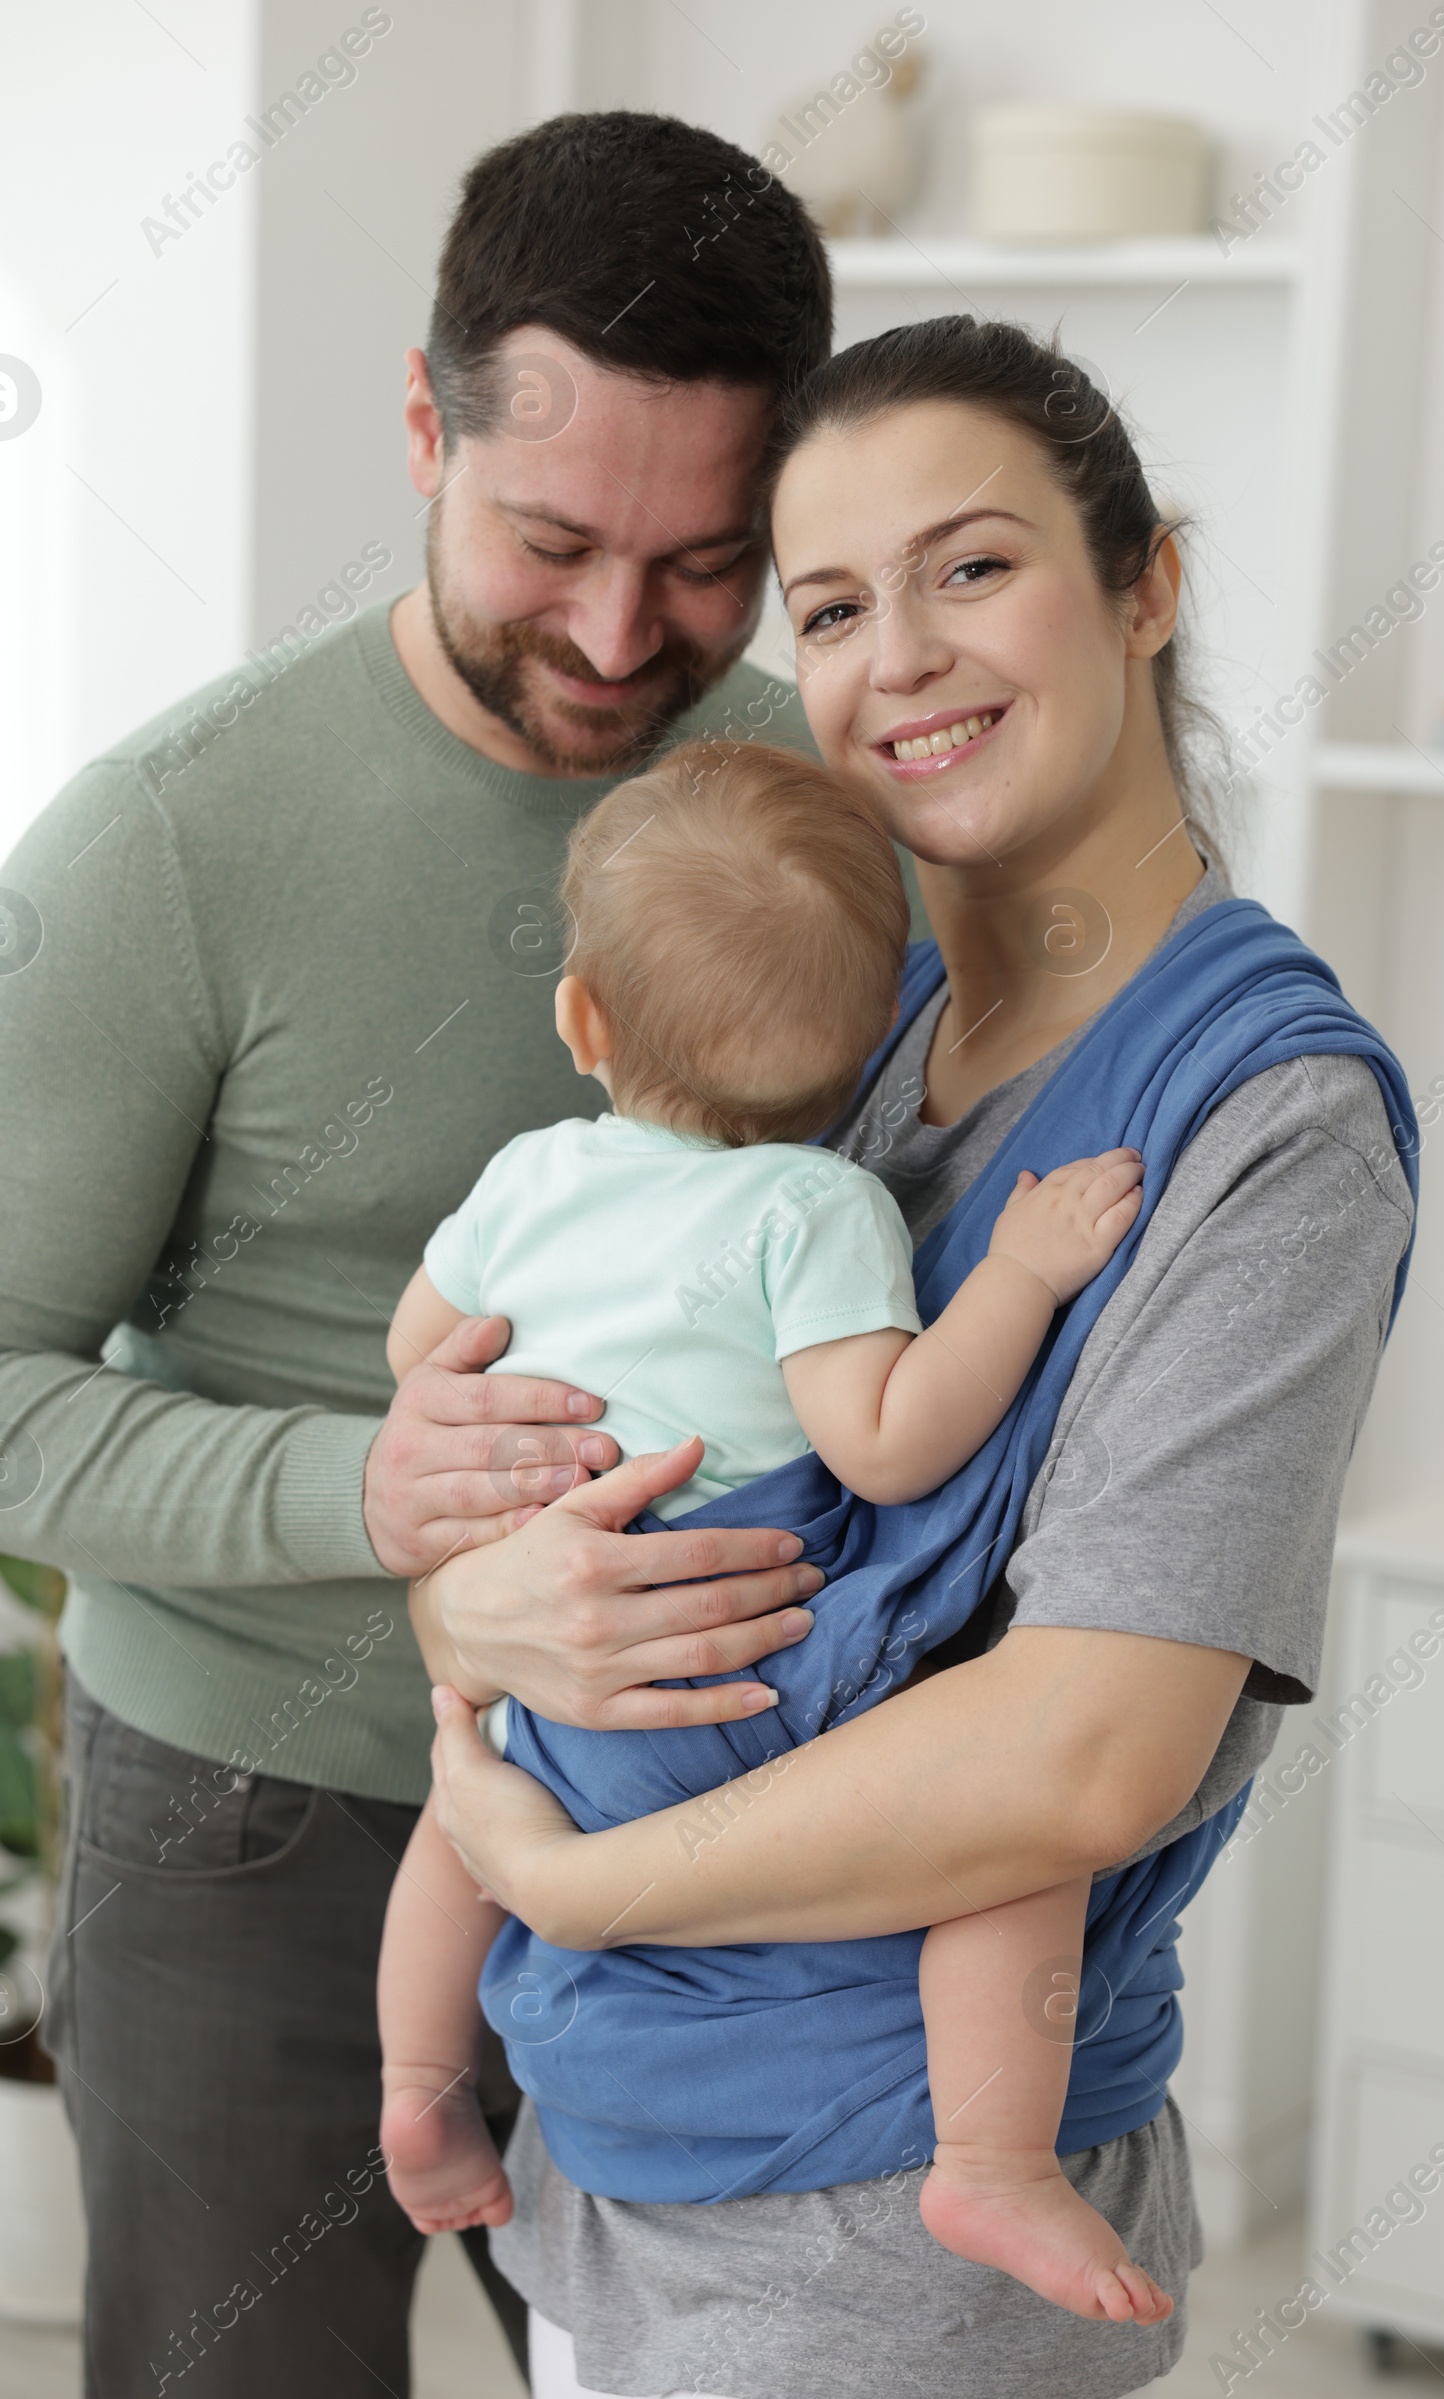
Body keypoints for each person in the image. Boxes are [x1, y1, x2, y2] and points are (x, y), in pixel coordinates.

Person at [411, 316, 1420, 2399]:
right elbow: (499, 1432)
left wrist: (575, 1875)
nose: (902, 661)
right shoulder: (819, 1041)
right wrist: (482, 1591)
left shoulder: (1262, 1120)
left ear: (1143, 582)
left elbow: (1083, 1757)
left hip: (875, 2245)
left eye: (972, 568)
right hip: (612, 2164)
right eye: (834, 608)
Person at [0, 113, 840, 2396]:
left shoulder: (817, 824)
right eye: (549, 539)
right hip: (258, 1829)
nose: (610, 634)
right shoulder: (170, 847)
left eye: (703, 566)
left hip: (717, 1821)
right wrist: (369, 1497)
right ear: (420, 424)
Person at [372, 738, 1159, 2324]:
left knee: (465, 1811)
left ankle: (416, 2083)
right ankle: (995, 2159)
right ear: (881, 1027)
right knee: (1011, 1835)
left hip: (567, 1680)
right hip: (742, 1669)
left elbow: (417, 1356)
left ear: (579, 1015)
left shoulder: (529, 1178)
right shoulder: (813, 1210)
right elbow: (886, 1448)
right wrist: (1018, 1273)